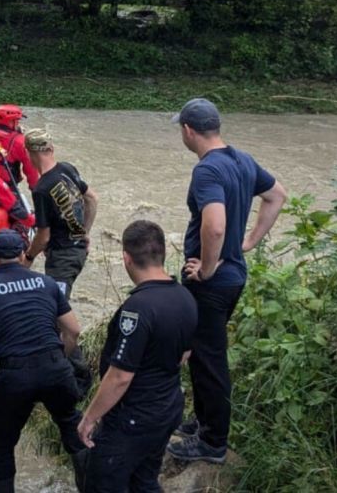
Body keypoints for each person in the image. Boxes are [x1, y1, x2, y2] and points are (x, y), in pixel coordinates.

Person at [165, 98, 287, 464]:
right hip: (234, 276)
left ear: (188, 130)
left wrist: (207, 268)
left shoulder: (207, 171)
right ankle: (202, 423)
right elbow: (277, 195)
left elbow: (214, 225)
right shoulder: (242, 159)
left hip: (214, 283)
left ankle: (213, 443)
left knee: (210, 361)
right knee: (203, 356)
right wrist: (248, 242)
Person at [0, 229, 89, 492]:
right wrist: (58, 360)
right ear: (21, 254)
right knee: (73, 429)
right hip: (55, 368)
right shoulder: (47, 283)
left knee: (3, 445)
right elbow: (73, 330)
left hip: (14, 377)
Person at [77, 221, 198, 492]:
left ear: (126, 258)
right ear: (162, 253)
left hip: (132, 417)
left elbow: (120, 376)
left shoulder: (137, 309)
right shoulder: (185, 297)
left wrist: (90, 418)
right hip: (167, 408)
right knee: (144, 481)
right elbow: (185, 354)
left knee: (102, 482)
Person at [23, 128, 98, 300]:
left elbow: (43, 236)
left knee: (56, 308)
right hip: (79, 251)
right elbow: (92, 198)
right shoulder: (67, 168)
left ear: (29, 153)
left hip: (62, 258)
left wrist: (28, 257)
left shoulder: (41, 189)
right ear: (51, 149)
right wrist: (84, 233)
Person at [0, 104, 40, 190]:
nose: (18, 123)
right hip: (5, 185)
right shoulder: (20, 142)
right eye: (17, 121)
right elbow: (31, 170)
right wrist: (34, 187)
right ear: (11, 121)